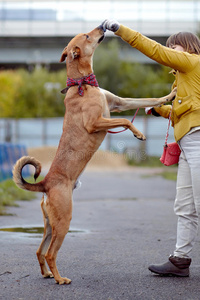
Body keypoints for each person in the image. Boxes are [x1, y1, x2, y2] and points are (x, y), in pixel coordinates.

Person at [102, 19, 200, 277]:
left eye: (174, 46)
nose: (170, 51)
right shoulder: (182, 79)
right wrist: (159, 109)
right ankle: (180, 260)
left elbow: (154, 50)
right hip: (188, 140)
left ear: (187, 47)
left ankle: (181, 259)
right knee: (185, 206)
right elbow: (184, 112)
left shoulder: (192, 62)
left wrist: (120, 30)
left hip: (198, 138)